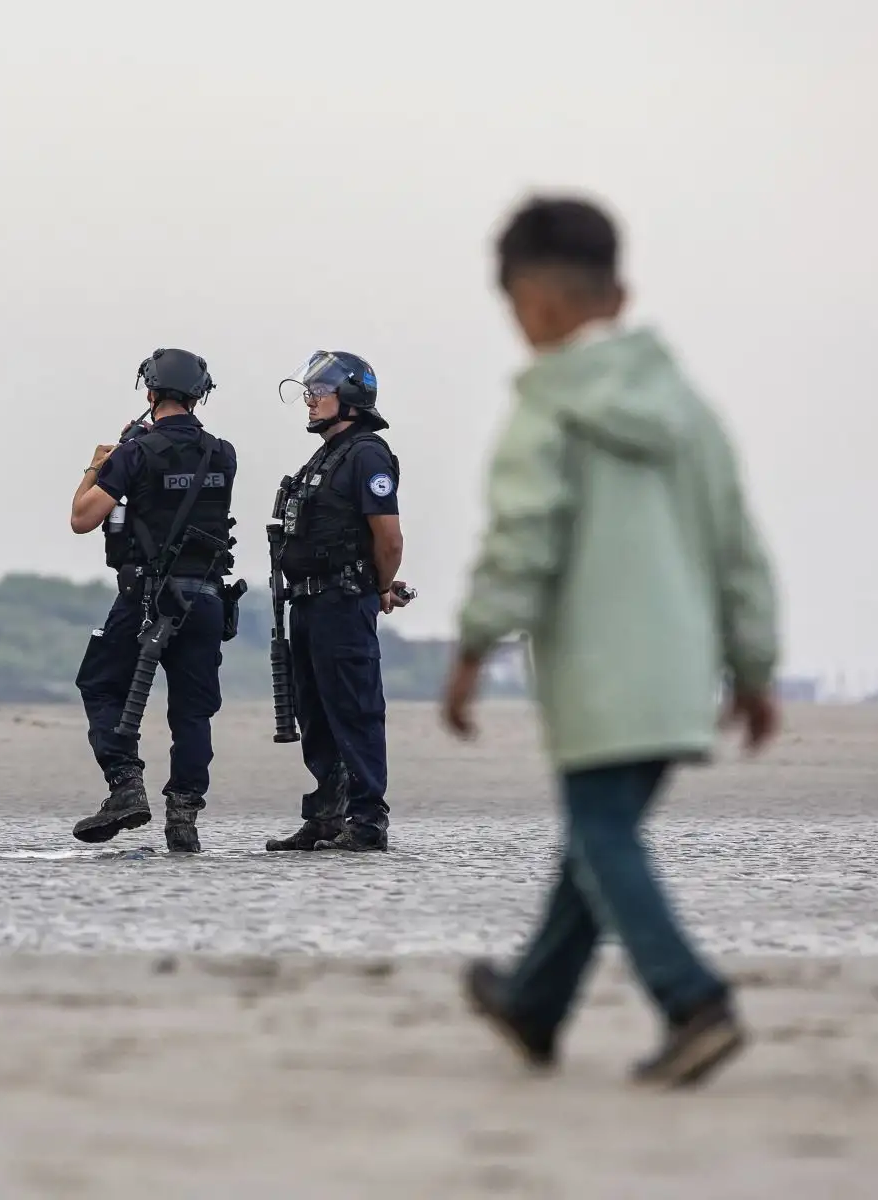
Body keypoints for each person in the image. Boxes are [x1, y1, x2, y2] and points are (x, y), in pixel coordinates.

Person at [446, 195, 780, 1088]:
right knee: (596, 840)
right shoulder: (690, 412)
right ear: (619, 295)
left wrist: (474, 645)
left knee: (602, 835)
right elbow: (736, 542)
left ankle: (692, 999)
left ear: (537, 303)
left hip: (599, 677)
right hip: (680, 677)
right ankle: (533, 1002)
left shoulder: (546, 407)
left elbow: (522, 537)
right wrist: (754, 666)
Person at [67, 348, 236, 854]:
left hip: (146, 596)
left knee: (98, 682)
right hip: (205, 598)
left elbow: (82, 517)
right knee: (192, 713)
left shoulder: (134, 453)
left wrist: (97, 467)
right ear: (198, 394)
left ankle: (126, 786)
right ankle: (183, 817)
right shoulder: (223, 452)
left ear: (149, 393)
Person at [264, 351, 409, 854]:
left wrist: (377, 586)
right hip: (308, 603)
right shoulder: (326, 454)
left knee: (355, 709)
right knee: (315, 712)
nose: (308, 400)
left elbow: (388, 539)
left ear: (348, 397)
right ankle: (327, 815)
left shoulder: (367, 453)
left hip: (343, 602)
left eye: (318, 392)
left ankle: (367, 820)